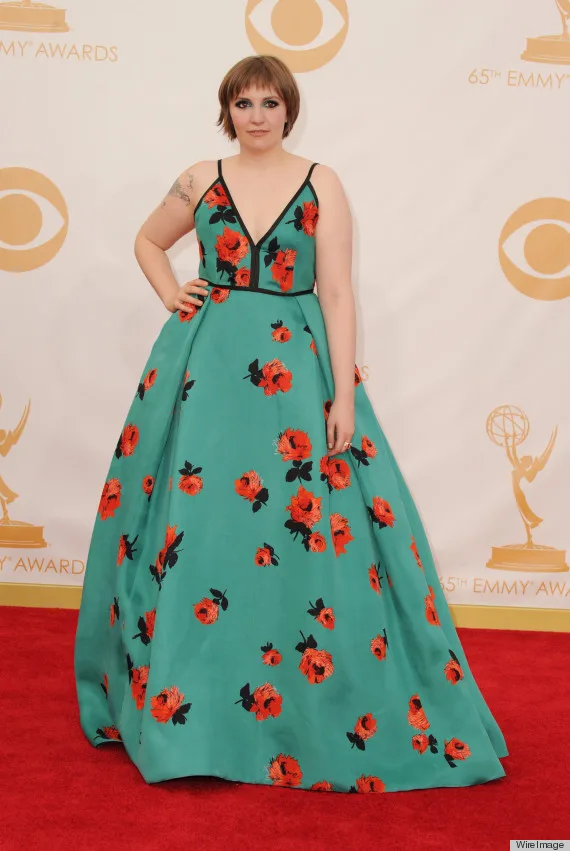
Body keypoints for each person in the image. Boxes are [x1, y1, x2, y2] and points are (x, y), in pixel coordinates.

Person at [74, 54, 508, 794]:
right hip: (205, 367)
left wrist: (342, 394)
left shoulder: (323, 183)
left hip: (294, 367)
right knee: (200, 529)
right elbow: (149, 240)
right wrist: (173, 291)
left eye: (269, 103)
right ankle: (194, 711)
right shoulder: (199, 178)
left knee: (305, 532)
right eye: (243, 103)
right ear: (226, 110)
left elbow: (337, 292)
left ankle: (307, 702)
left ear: (289, 110)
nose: (256, 115)